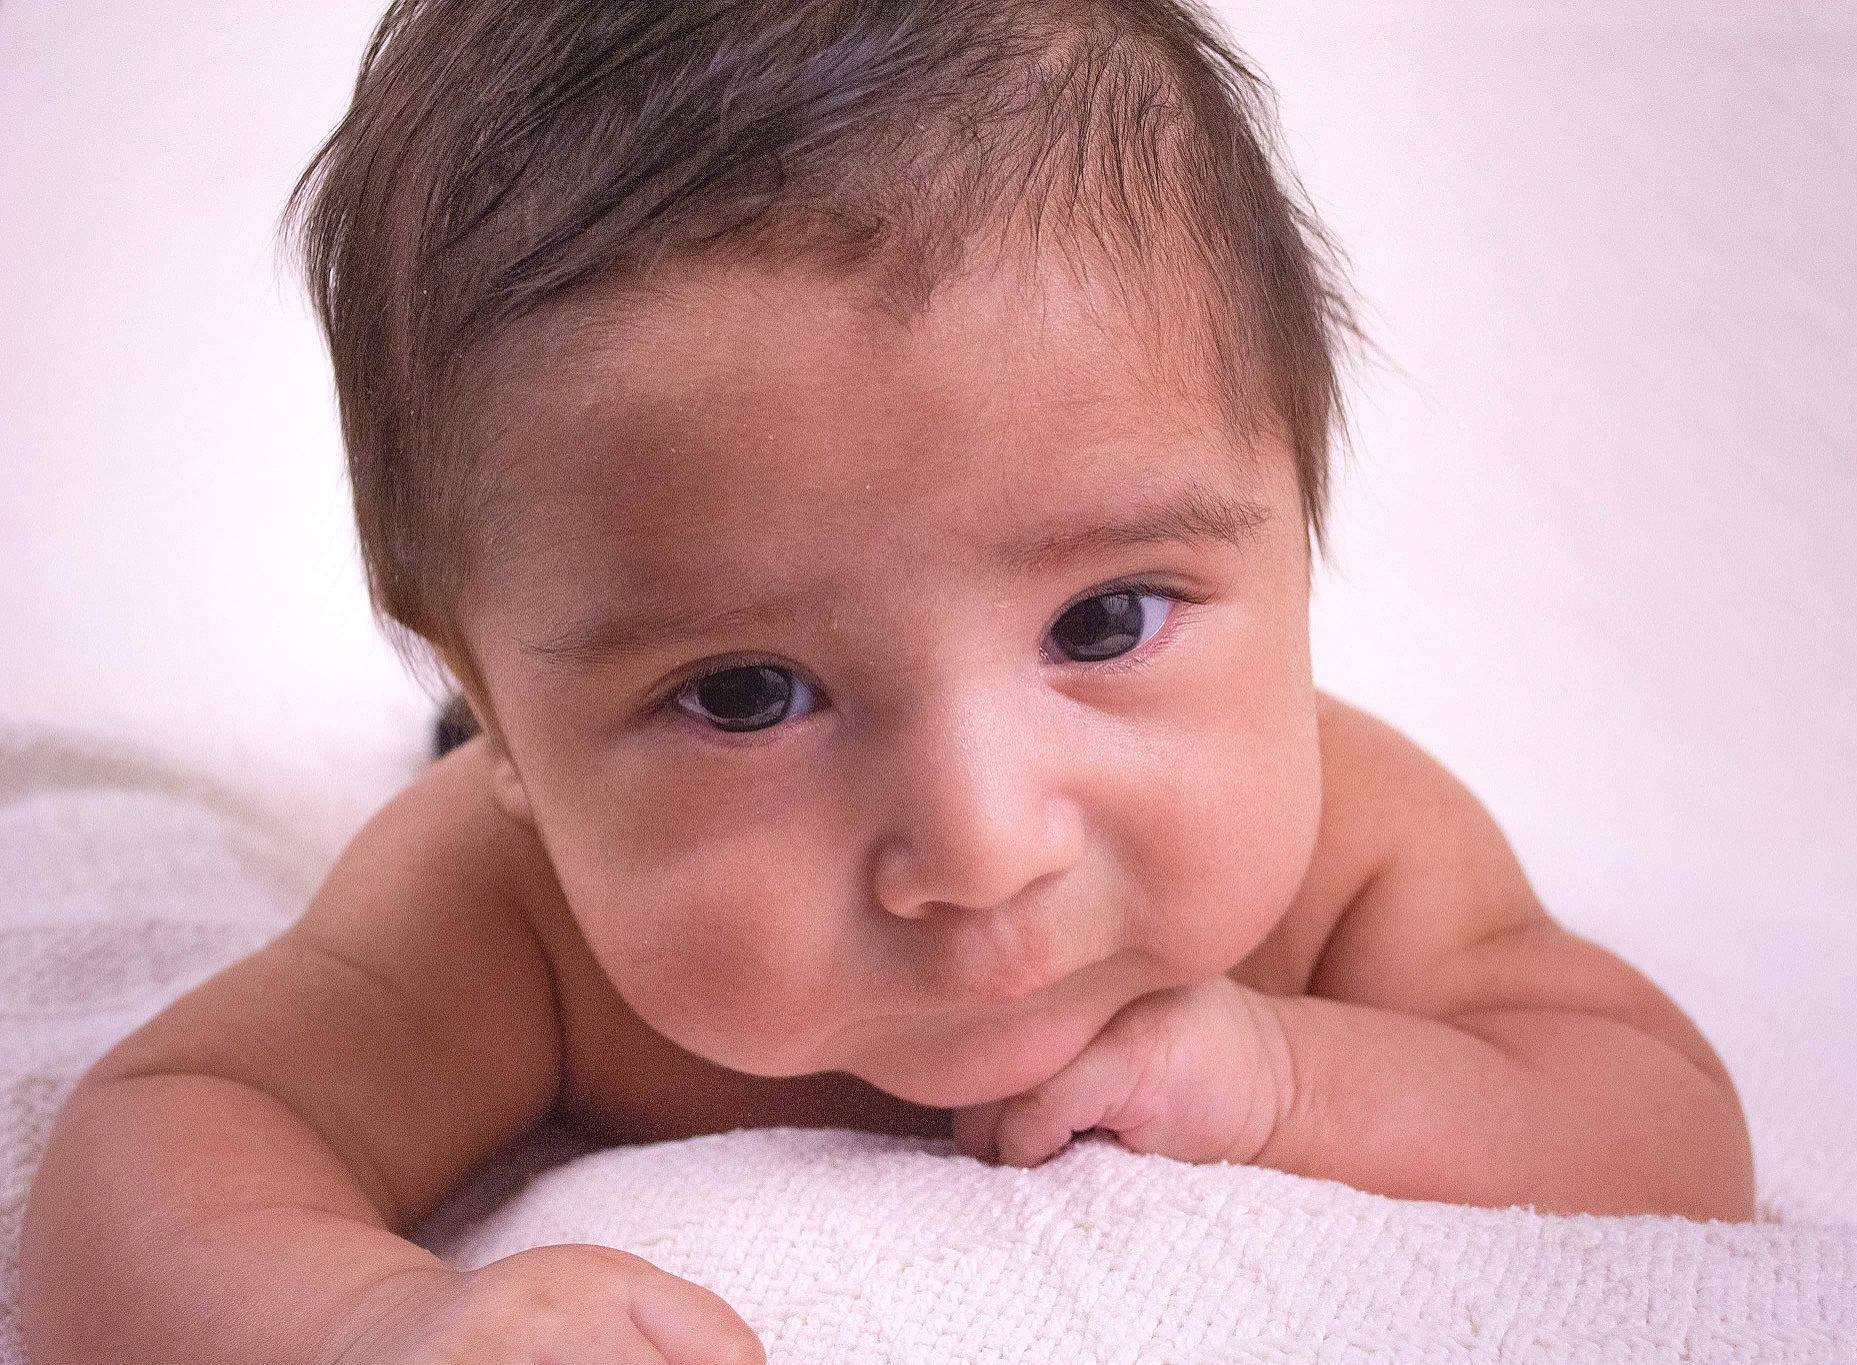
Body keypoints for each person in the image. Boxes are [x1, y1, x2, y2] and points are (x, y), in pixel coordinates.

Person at [20, 1, 1753, 1360]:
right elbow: (162, 1145)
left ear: (1300, 515)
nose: (984, 844)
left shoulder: (1354, 843)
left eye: (1103, 621)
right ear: (499, 711)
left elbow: (1663, 1130)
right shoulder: (509, 911)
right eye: (751, 693)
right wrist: (364, 1322)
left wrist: (1292, 1079)